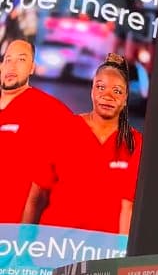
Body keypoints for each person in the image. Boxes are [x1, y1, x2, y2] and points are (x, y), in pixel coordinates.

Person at [23, 54, 143, 234]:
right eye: (100, 87)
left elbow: (131, 209)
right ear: (92, 90)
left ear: (126, 97)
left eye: (117, 91)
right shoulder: (62, 129)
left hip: (104, 255)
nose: (107, 96)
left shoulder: (136, 143)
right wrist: (22, 248)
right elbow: (37, 197)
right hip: (54, 249)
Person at [0, 40, 74, 223]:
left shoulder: (50, 111)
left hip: (17, 235)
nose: (12, 65)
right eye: (8, 59)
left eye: (21, 59)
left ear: (32, 68)